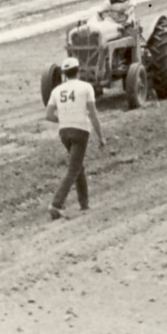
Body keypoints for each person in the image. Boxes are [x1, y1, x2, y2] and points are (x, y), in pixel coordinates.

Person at [43, 56, 107, 219]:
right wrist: (101, 137)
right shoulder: (86, 87)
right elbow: (93, 114)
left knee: (78, 165)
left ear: (64, 73)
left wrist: (63, 119)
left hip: (64, 132)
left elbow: (49, 115)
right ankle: (56, 204)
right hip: (80, 131)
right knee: (73, 169)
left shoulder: (56, 91)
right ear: (78, 71)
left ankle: (84, 203)